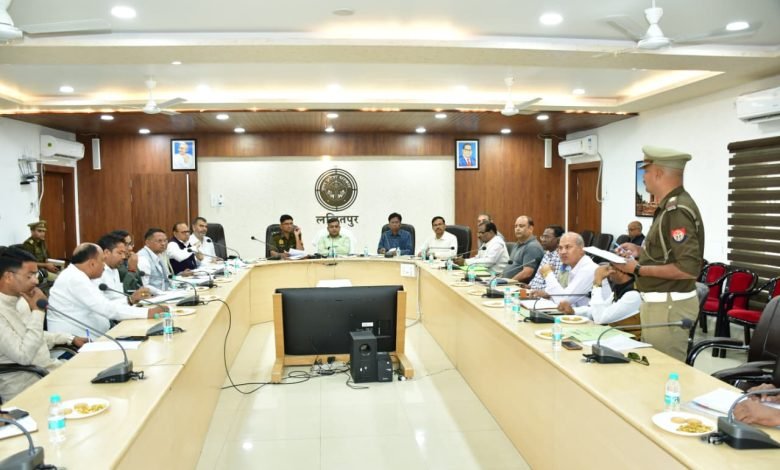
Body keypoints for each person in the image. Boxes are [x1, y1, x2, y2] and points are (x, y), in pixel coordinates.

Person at [613, 146, 704, 361]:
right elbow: (668, 254)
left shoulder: (677, 210)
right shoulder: (668, 207)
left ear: (659, 173)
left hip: (669, 305)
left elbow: (688, 269)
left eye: (646, 171)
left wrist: (637, 269)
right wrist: (639, 251)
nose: (643, 177)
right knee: (653, 366)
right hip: (660, 303)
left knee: (665, 370)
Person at [0, 247, 87, 401]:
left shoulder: (21, 300)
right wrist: (38, 311)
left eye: (36, 274)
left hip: (49, 372)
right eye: (30, 276)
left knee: (95, 375)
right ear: (8, 277)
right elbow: (23, 356)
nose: (36, 281)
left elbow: (31, 335)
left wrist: (69, 338)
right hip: (26, 386)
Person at [46, 243, 167, 338]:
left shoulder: (79, 275)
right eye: (102, 261)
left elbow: (104, 304)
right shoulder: (75, 279)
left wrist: (130, 300)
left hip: (98, 337)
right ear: (92, 264)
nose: (104, 266)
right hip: (78, 346)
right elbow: (106, 309)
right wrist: (147, 313)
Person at [558, 264, 640, 327]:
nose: (608, 270)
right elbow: (598, 310)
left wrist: (597, 282)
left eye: (611, 266)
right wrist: (573, 311)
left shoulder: (633, 295)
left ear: (621, 271)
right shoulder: (620, 288)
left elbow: (599, 318)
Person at [533, 232, 597, 307]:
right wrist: (548, 295)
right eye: (560, 248)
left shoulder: (588, 269)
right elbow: (564, 295)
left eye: (568, 247)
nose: (563, 252)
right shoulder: (571, 266)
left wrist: (548, 274)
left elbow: (563, 301)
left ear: (581, 250)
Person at [96, 234, 151, 305]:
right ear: (107, 253)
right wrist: (130, 299)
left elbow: (120, 297)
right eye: (120, 253)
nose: (124, 257)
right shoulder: (96, 274)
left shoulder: (115, 269)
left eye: (124, 253)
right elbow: (100, 306)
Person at [502, 215, 544, 282]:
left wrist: (509, 282)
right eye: (516, 226)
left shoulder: (532, 247)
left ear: (530, 229)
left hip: (518, 286)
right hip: (507, 283)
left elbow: (527, 273)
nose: (517, 229)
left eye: (521, 226)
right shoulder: (517, 244)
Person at [527, 225, 564, 290]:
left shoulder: (561, 257)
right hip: (533, 291)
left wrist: (534, 289)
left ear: (558, 240)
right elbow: (538, 277)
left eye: (547, 237)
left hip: (545, 294)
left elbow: (554, 286)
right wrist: (529, 286)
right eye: (543, 237)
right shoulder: (547, 253)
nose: (543, 240)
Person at [136, 228, 173, 294]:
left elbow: (166, 278)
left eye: (165, 240)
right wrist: (162, 293)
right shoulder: (143, 258)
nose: (163, 243)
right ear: (147, 242)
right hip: (152, 297)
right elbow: (144, 286)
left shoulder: (159, 254)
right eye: (159, 241)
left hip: (164, 294)